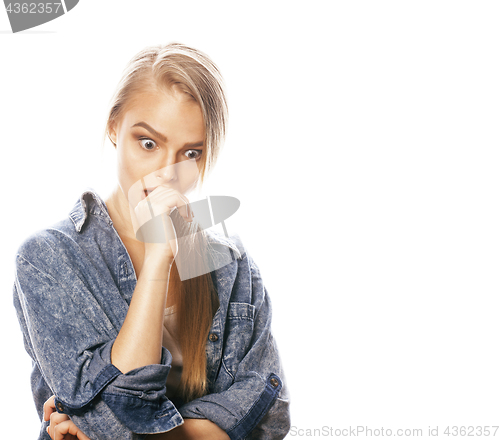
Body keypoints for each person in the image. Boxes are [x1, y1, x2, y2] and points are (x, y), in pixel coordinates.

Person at [13, 42, 290, 440]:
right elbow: (112, 414)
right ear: (114, 127)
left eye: (190, 153)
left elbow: (270, 417)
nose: (166, 173)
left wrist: (154, 434)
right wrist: (159, 257)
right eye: (148, 143)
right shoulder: (49, 258)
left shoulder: (230, 266)